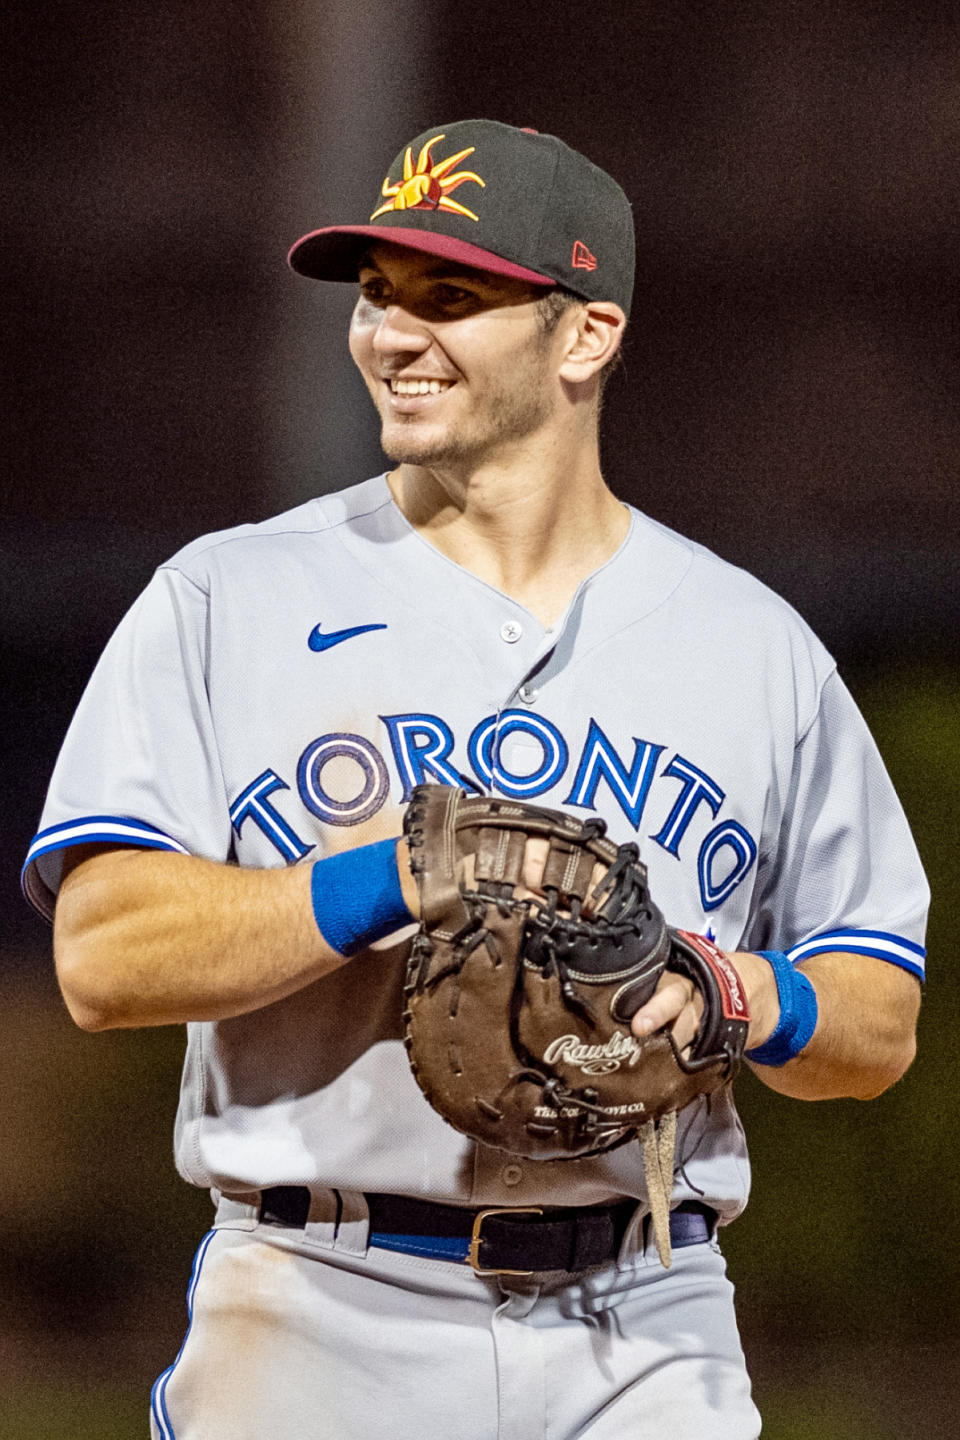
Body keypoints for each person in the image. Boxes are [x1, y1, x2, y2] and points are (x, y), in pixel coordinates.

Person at [23, 119, 927, 1440]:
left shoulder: (752, 645)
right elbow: (103, 958)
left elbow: (878, 1019)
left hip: (650, 1313)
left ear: (585, 336)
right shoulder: (228, 597)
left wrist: (733, 992)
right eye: (379, 294)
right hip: (322, 1302)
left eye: (453, 297)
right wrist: (384, 876)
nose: (392, 333)